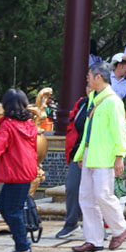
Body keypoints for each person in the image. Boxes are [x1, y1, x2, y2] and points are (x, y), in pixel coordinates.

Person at [72, 62, 126, 252]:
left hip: (105, 154)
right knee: (86, 197)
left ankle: (120, 227)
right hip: (91, 152)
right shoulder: (94, 98)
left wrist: (119, 155)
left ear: (98, 77)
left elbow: (119, 130)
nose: (87, 78)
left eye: (89, 75)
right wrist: (82, 154)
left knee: (103, 194)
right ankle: (94, 239)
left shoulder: (113, 101)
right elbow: (88, 130)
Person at [0, 88, 38, 252]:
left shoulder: (8, 125)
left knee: (12, 211)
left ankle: (23, 248)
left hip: (15, 173)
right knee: (5, 207)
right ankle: (22, 242)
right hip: (25, 172)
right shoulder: (29, 124)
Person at [54, 86, 89, 239]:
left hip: (99, 153)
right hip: (78, 151)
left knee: (98, 192)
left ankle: (102, 225)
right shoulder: (82, 103)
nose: (89, 88)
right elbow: (73, 125)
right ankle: (71, 222)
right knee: (72, 186)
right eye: (87, 85)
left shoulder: (109, 102)